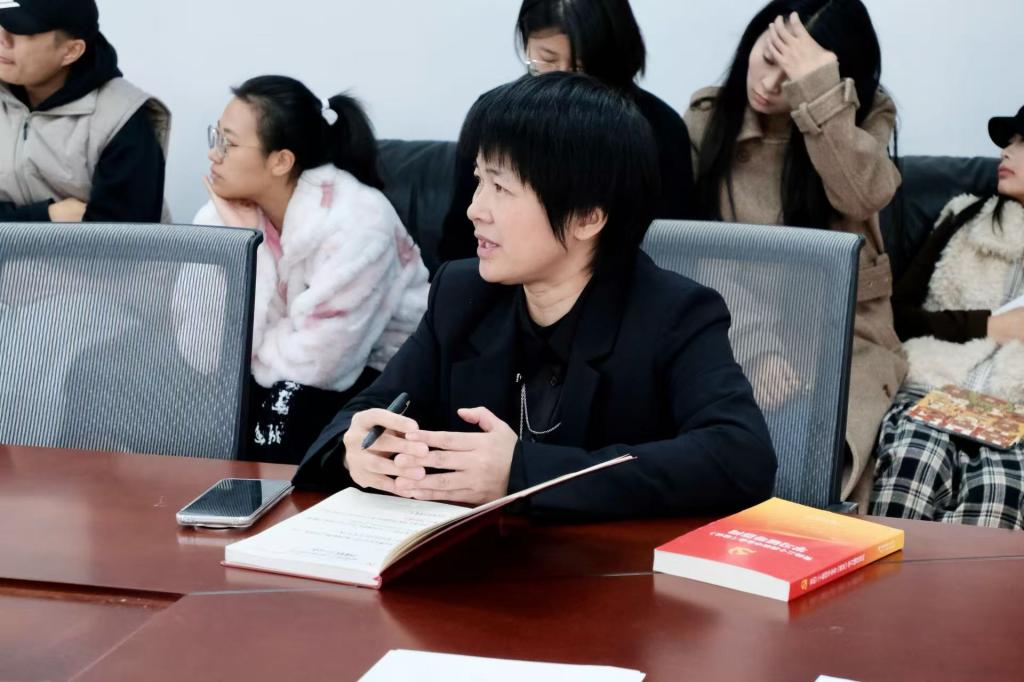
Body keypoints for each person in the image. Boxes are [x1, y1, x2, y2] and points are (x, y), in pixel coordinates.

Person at [293, 73, 776, 519]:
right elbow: (368, 412)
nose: (475, 209)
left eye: (501, 187)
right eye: (479, 180)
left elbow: (740, 456)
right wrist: (356, 451)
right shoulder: (461, 294)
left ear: (587, 217)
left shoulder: (674, 314)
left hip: (611, 573)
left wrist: (523, 473)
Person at [684, 0, 906, 509]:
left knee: (819, 454)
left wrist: (819, 94)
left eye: (792, 75)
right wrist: (757, 346)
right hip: (737, 322)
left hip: (843, 334)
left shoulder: (863, 113)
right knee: (737, 440)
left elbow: (864, 195)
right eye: (766, 58)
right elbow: (701, 254)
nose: (767, 85)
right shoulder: (708, 121)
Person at [191, 76, 429, 464]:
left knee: (280, 416)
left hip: (381, 369)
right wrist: (243, 246)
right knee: (197, 404)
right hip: (285, 365)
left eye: (228, 143)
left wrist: (246, 356)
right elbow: (201, 347)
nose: (213, 154)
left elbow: (321, 362)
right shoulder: (222, 216)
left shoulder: (359, 221)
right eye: (214, 136)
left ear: (280, 161)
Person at [437, 0, 693, 264]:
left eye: (582, 68)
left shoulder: (660, 128)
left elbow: (676, 249)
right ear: (526, 41)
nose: (562, 80)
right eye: (547, 60)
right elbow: (458, 243)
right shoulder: (493, 117)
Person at [871, 107, 1024, 528]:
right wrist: (986, 327)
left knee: (1000, 493)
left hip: (1015, 413)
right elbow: (896, 316)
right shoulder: (964, 217)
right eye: (1008, 142)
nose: (1005, 152)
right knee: (912, 467)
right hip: (933, 389)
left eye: (1022, 144)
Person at [0, 0, 169, 223]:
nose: (3, 38)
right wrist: (48, 216)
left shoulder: (122, 118)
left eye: (20, 29)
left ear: (71, 51)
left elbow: (124, 237)